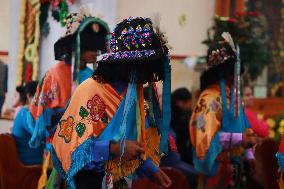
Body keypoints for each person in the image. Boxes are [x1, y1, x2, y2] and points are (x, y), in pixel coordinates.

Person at [52, 17, 172, 189]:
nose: (149, 78)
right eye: (146, 69)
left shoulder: (134, 92)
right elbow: (73, 148)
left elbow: (135, 145)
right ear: (130, 65)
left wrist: (150, 168)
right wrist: (117, 148)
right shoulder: (91, 90)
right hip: (87, 181)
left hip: (117, 180)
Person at [28, 7, 110, 188]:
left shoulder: (93, 76)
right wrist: (60, 115)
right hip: (58, 145)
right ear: (78, 46)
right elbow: (37, 114)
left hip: (86, 149)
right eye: (91, 48)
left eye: (98, 48)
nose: (97, 53)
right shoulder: (54, 75)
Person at [189, 33, 257, 189]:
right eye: (233, 70)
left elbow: (245, 127)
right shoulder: (209, 99)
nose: (236, 76)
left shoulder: (233, 97)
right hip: (217, 172)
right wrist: (239, 139)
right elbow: (203, 137)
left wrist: (248, 153)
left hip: (235, 171)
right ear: (224, 72)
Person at [12, 81, 45, 165]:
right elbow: (40, 134)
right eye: (40, 95)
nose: (43, 99)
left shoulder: (26, 112)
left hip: (33, 162)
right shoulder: (25, 113)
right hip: (29, 164)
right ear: (29, 96)